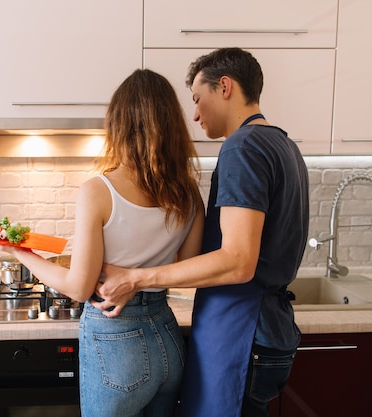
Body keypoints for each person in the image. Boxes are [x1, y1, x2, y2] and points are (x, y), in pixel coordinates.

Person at [92, 48, 310, 417]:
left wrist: (137, 277)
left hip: (241, 329)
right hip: (269, 329)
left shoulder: (244, 146)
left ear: (224, 87)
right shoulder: (284, 145)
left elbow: (238, 262)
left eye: (197, 98)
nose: (194, 114)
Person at [0, 68, 205, 417]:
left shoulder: (98, 191)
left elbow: (79, 287)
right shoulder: (189, 193)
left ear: (119, 125)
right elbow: (189, 272)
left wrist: (22, 253)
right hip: (167, 338)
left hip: (115, 340)